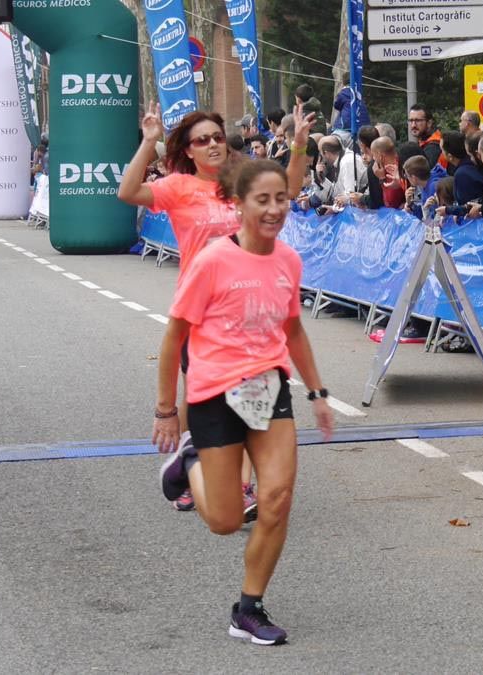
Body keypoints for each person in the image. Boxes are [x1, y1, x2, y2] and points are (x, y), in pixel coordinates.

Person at [153, 158, 335, 646]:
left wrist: (316, 392)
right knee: (224, 521)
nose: (275, 209)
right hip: (214, 394)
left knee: (276, 500)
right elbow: (174, 337)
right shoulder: (213, 260)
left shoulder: (288, 261)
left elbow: (293, 327)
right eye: (263, 200)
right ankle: (189, 459)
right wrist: (167, 410)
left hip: (268, 390)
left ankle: (249, 608)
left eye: (282, 199)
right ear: (239, 205)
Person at [119, 102, 316, 511]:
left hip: (252, 307)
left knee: (244, 391)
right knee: (204, 393)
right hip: (202, 308)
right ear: (188, 150)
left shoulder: (244, 181)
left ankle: (229, 478)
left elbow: (291, 190)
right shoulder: (178, 186)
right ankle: (198, 464)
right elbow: (127, 192)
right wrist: (149, 141)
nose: (212, 145)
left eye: (217, 138)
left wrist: (299, 146)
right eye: (202, 140)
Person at [407, 104, 444, 168]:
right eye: (411, 121)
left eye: (418, 121)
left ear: (429, 123)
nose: (413, 125)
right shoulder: (424, 142)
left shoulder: (434, 147)